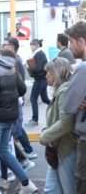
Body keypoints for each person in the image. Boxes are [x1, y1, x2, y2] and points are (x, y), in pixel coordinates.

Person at [0, 49, 37, 194]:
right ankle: (26, 182)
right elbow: (21, 90)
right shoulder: (10, 68)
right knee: (3, 150)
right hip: (11, 116)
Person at [39, 57, 77, 194]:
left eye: (48, 72)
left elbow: (65, 123)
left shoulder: (65, 91)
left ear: (56, 73)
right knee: (51, 189)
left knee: (69, 189)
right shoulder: (60, 90)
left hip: (66, 149)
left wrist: (45, 136)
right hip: (57, 148)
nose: (46, 75)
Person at [63, 21, 86, 193]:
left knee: (81, 181)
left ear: (81, 41)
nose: (70, 46)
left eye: (71, 42)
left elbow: (68, 106)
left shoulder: (83, 69)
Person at [27, 38, 50, 125]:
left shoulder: (39, 54)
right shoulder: (39, 54)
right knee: (45, 99)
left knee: (33, 98)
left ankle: (35, 119)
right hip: (42, 79)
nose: (31, 46)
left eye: (32, 44)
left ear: (36, 45)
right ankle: (57, 107)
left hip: (40, 80)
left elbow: (39, 68)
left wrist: (30, 68)